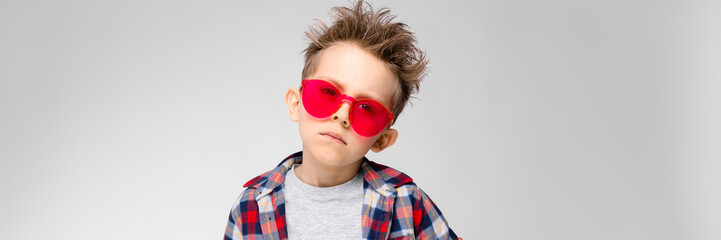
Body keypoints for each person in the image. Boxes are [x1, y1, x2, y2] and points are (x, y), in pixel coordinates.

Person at [224, 1, 460, 239]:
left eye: (367, 108)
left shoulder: (406, 203)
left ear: (383, 139)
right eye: (328, 93)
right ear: (296, 104)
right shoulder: (251, 206)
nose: (342, 115)